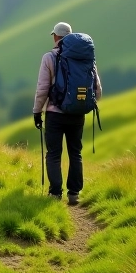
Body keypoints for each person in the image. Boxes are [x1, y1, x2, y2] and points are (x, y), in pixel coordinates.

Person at [32, 22, 102, 205]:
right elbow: (98, 90)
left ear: (55, 37)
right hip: (77, 114)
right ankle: (74, 194)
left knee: (54, 154)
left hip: (55, 114)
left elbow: (42, 89)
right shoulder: (86, 58)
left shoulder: (49, 57)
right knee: (75, 153)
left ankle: (55, 194)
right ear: (69, 36)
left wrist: (37, 112)